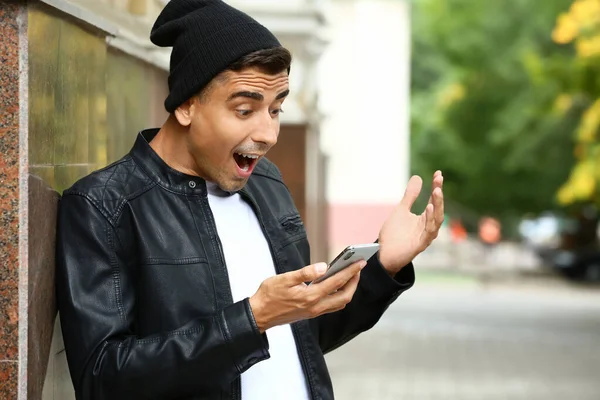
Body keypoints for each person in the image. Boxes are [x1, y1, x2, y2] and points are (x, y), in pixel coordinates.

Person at [55, 1, 445, 399]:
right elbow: (103, 378)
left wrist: (383, 266)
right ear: (187, 104)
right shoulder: (104, 206)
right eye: (245, 110)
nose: (269, 134)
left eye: (276, 110)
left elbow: (305, 338)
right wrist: (252, 318)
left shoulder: (265, 182)